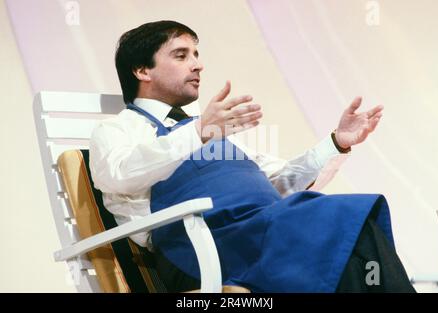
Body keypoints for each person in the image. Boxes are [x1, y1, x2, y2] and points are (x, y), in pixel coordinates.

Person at [89, 20, 415, 292]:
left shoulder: (208, 127)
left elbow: (279, 181)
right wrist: (198, 132)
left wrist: (335, 143)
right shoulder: (118, 130)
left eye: (197, 53)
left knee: (352, 239)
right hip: (200, 252)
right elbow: (116, 174)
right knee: (340, 223)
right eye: (181, 55)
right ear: (142, 69)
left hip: (260, 232)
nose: (198, 63)